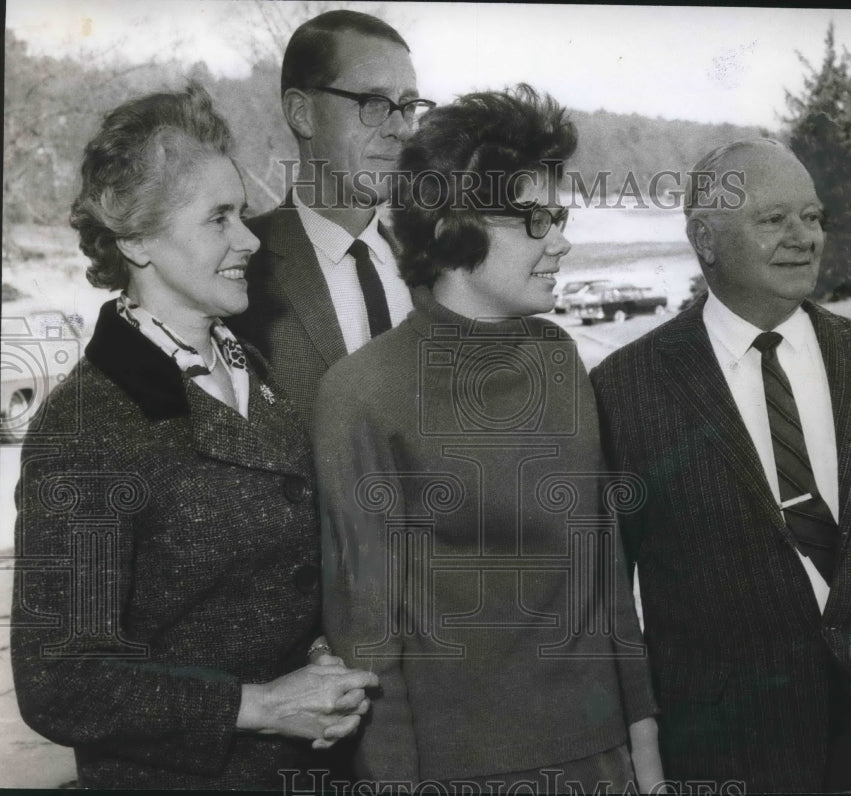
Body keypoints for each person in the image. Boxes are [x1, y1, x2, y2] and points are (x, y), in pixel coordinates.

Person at [10, 83, 378, 790]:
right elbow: (59, 679)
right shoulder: (87, 427)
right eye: (219, 219)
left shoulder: (249, 366)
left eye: (242, 212)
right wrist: (264, 705)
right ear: (139, 240)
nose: (250, 238)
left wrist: (321, 656)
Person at [590, 138, 851, 793]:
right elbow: (605, 596)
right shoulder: (625, 389)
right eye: (774, 220)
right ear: (704, 238)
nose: (803, 237)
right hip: (715, 756)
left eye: (812, 217)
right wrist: (642, 741)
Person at [313, 85, 662, 791]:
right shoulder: (360, 395)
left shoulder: (558, 358)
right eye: (534, 219)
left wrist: (645, 755)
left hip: (601, 763)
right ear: (451, 225)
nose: (561, 239)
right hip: (463, 774)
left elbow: (606, 578)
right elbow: (368, 642)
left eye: (557, 216)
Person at [228, 10, 434, 424]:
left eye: (408, 106)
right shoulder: (236, 268)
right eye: (374, 103)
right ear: (302, 113)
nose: (402, 129)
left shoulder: (435, 270)